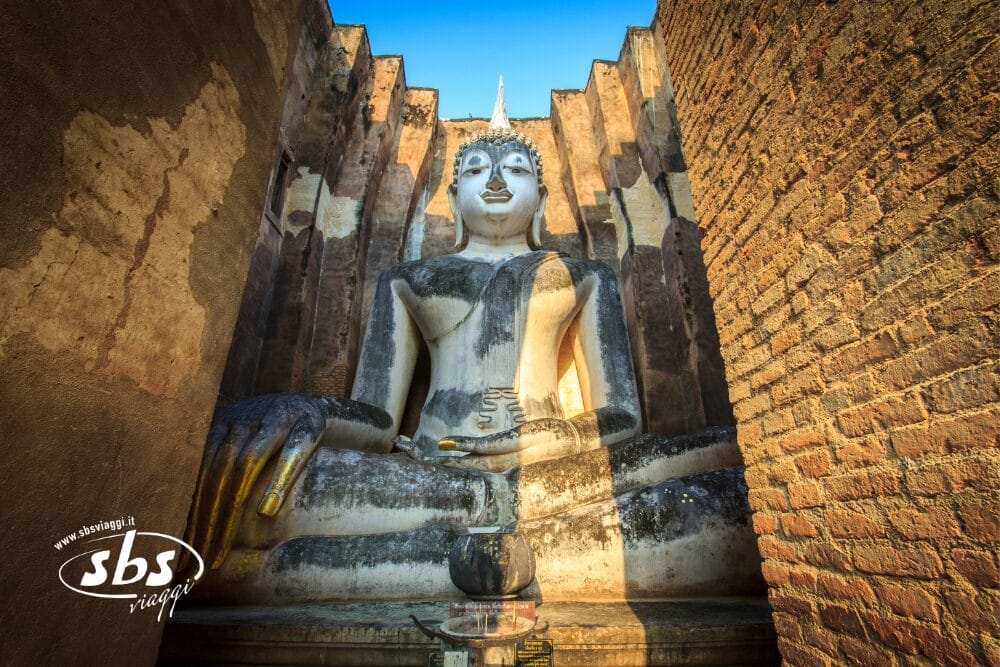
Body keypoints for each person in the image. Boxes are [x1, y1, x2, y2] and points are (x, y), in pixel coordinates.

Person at [186, 109, 761, 603]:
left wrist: (557, 435)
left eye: (516, 170)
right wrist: (308, 410)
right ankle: (529, 558)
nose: (496, 181)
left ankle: (417, 562)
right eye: (477, 169)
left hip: (556, 477)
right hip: (433, 476)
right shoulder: (409, 280)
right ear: (453, 195)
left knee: (739, 475)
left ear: (541, 196)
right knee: (250, 471)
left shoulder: (584, 277)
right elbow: (379, 423)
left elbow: (623, 417)